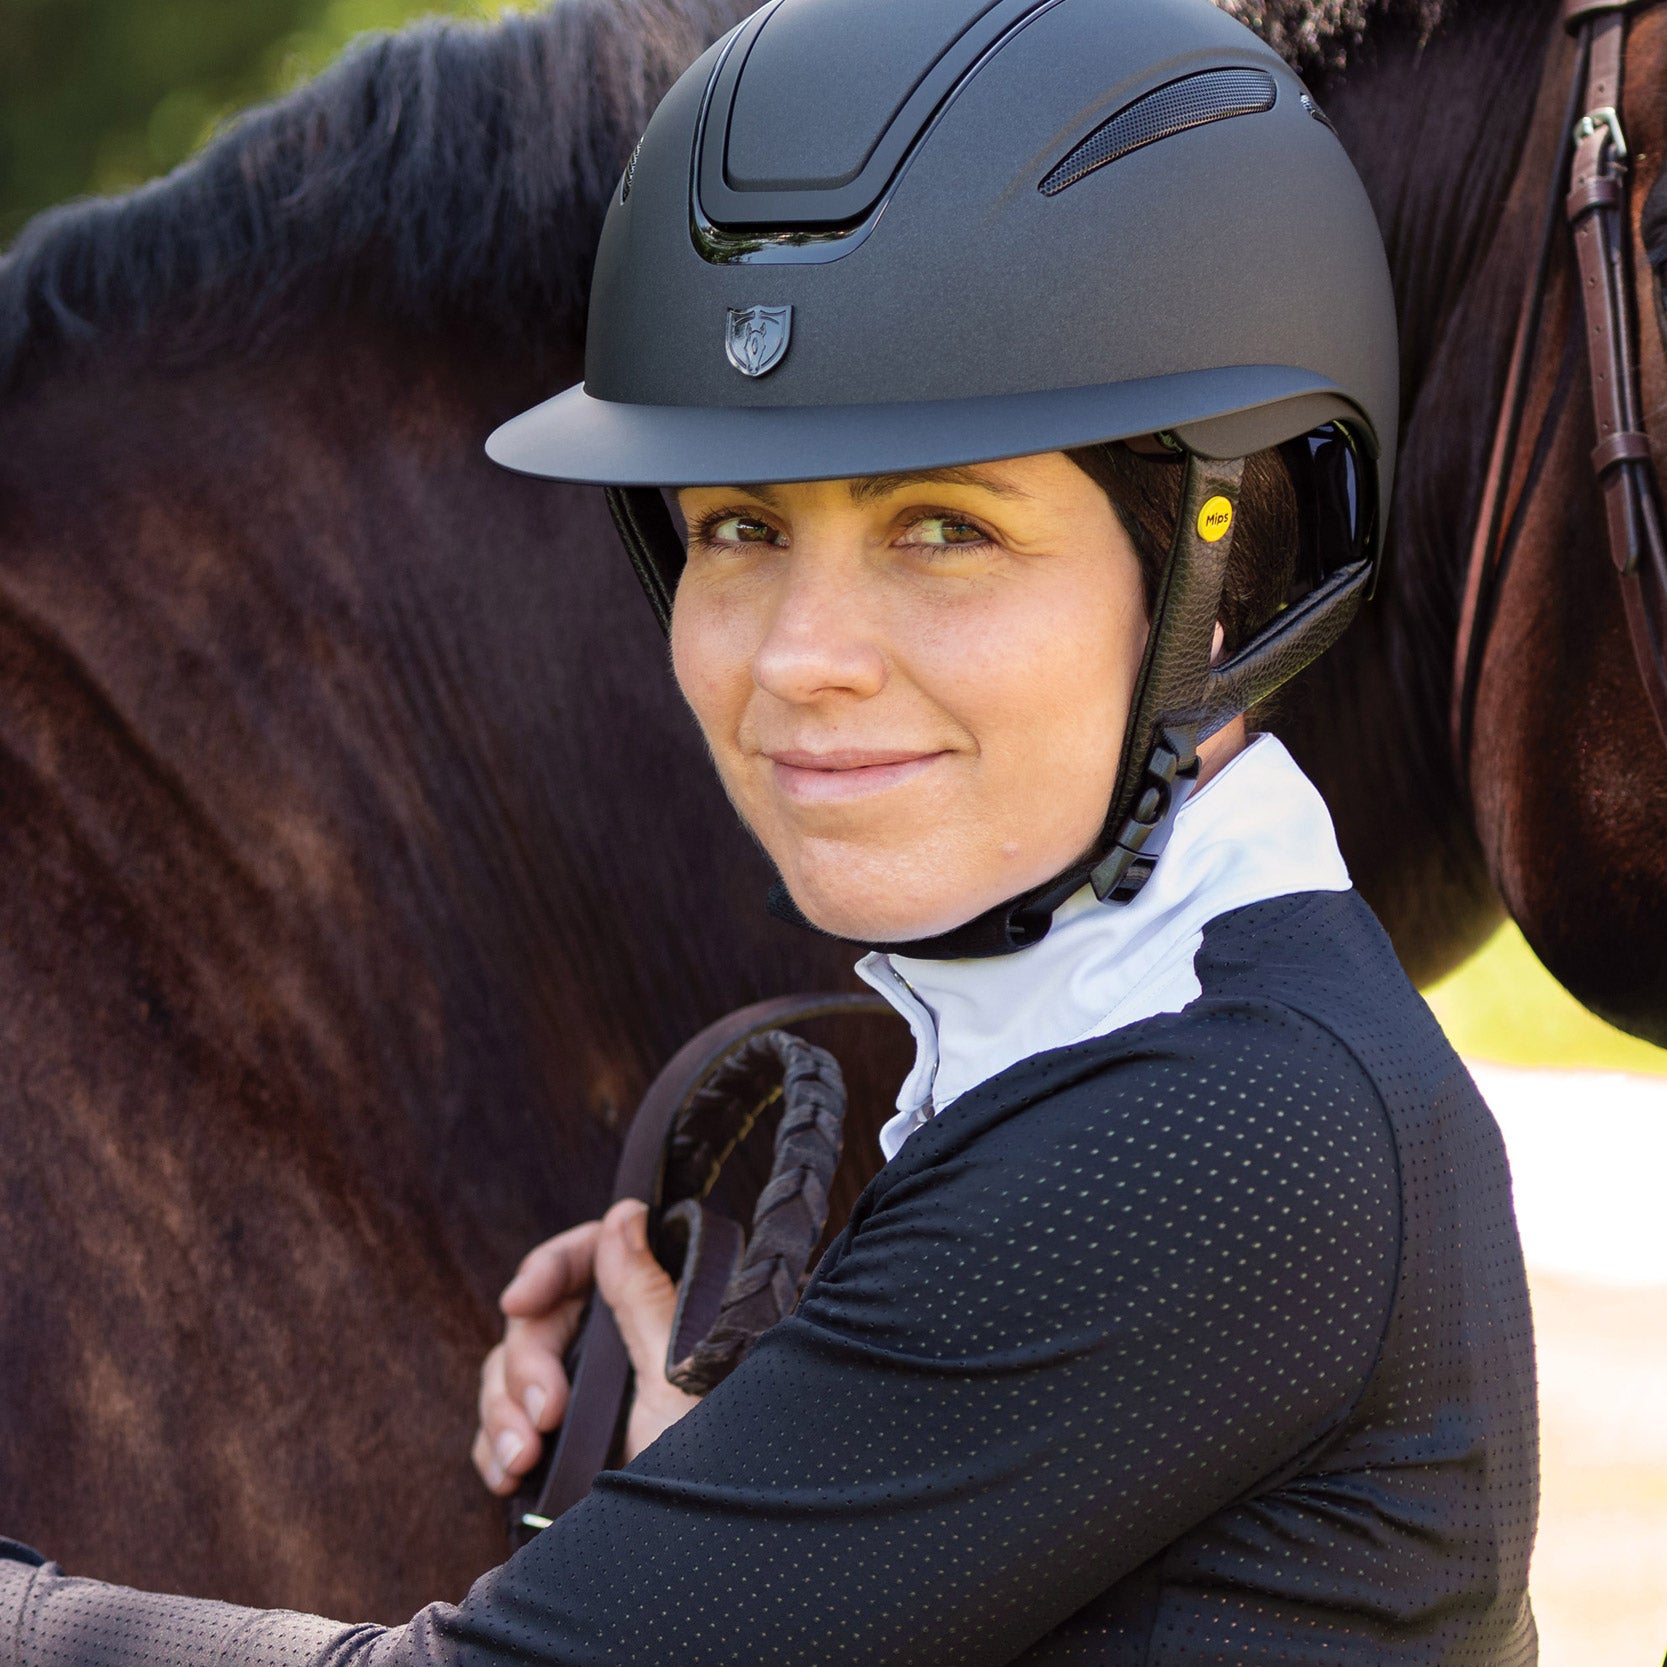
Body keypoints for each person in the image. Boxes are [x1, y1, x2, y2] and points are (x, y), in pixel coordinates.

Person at [0, 0, 1539, 1662]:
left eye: (943, 527)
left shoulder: (1209, 1139)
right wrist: (743, 1477)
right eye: (739, 525)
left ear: (1229, 567)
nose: (800, 659)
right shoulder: (1182, 1047)